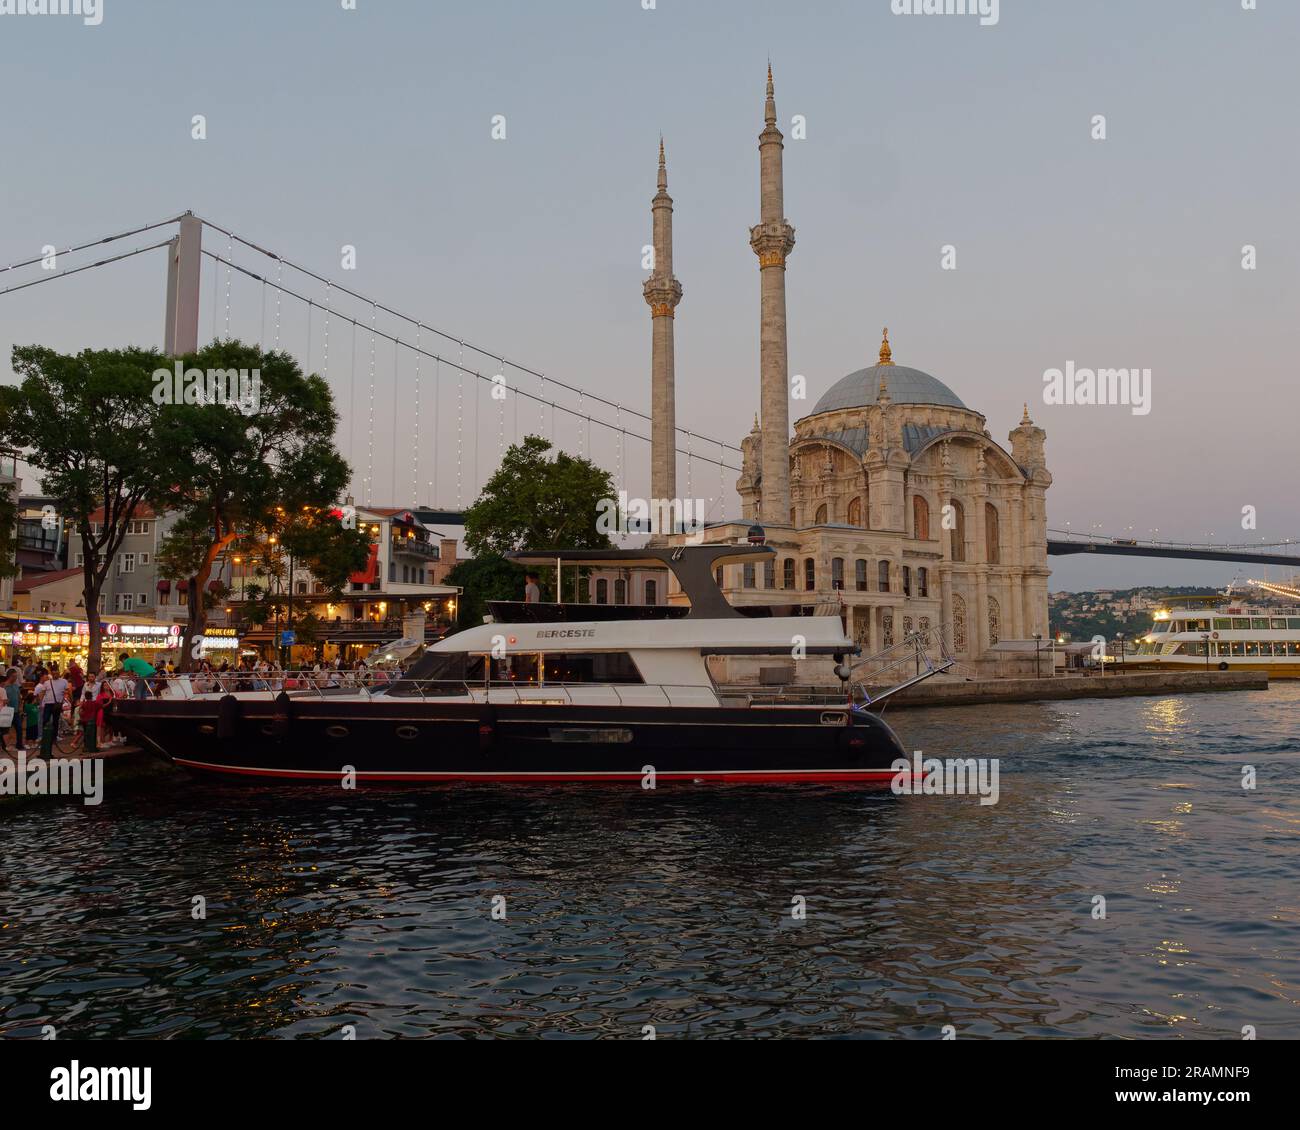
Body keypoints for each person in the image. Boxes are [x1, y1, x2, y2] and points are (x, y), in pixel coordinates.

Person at [2, 669, 24, 753]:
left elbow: (19, 697)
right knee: (5, 730)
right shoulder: (4, 687)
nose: (15, 678)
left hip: (16, 711)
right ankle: (4, 745)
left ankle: (19, 744)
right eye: (14, 676)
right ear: (9, 676)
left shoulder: (15, 686)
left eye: (16, 676)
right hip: (7, 712)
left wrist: (21, 706)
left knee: (19, 728)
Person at [77, 689, 100, 753]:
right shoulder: (94, 703)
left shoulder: (84, 704)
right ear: (91, 696)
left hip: (85, 721)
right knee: (92, 735)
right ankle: (92, 747)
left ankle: (86, 747)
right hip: (92, 721)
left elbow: (80, 711)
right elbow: (102, 706)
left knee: (86, 735)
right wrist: (109, 702)